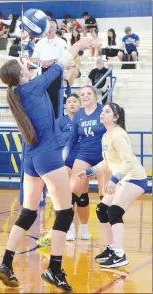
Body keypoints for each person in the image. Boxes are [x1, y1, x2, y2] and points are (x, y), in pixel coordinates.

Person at [0, 38, 92, 291]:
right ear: (23, 74)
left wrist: (25, 65)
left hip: (30, 158)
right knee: (64, 212)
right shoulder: (36, 86)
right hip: (48, 156)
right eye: (24, 68)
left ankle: (6, 263)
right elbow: (64, 59)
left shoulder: (16, 92)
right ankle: (54, 270)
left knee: (28, 212)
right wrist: (81, 41)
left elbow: (23, 73)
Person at [77, 102, 147, 268]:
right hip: (123, 179)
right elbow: (108, 161)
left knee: (114, 211)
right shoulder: (106, 136)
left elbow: (129, 162)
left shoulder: (119, 135)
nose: (102, 113)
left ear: (115, 117)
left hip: (134, 179)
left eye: (107, 111)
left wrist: (114, 180)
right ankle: (112, 248)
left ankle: (120, 255)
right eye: (102, 111)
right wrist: (89, 171)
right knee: (102, 209)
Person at [37, 93, 81, 246]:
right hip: (65, 161)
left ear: (80, 104)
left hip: (83, 160)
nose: (72, 104)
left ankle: (81, 227)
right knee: (67, 193)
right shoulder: (60, 122)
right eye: (69, 101)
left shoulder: (84, 119)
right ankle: (68, 228)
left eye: (75, 101)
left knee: (80, 196)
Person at [64, 86, 107, 241]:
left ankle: (111, 240)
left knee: (105, 197)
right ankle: (69, 227)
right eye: (82, 94)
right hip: (84, 155)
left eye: (88, 93)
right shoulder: (79, 115)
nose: (85, 96)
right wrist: (64, 154)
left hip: (104, 157)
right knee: (71, 192)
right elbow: (73, 138)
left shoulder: (103, 111)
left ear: (95, 96)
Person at [31, 21, 67, 118]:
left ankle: (58, 121)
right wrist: (41, 61)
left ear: (56, 29)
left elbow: (66, 58)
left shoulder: (61, 42)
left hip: (56, 72)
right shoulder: (40, 43)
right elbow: (34, 59)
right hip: (42, 72)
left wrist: (53, 61)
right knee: (44, 98)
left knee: (56, 99)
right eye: (48, 27)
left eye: (52, 27)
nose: (50, 29)